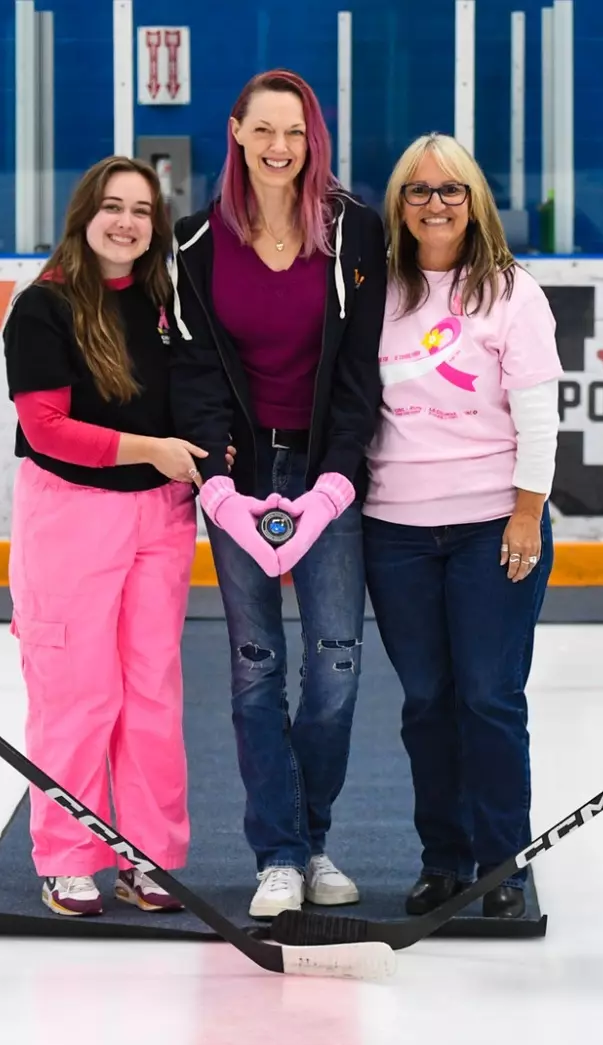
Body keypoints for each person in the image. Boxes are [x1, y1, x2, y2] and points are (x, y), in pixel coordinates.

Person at [168, 69, 388, 919]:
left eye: (294, 131)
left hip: (328, 476)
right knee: (256, 667)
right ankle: (281, 856)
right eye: (263, 129)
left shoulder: (354, 230)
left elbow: (360, 369)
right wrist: (221, 485)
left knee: (335, 664)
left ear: (312, 138)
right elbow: (196, 375)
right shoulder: (194, 244)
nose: (279, 146)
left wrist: (335, 481)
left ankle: (314, 836)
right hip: (244, 478)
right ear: (235, 132)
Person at [362, 133, 561, 920]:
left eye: (451, 190)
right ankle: (443, 861)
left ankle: (502, 864)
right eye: (418, 190)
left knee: (488, 697)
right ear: (399, 204)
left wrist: (527, 513)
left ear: (475, 201)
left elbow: (539, 417)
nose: (435, 203)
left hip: (491, 527)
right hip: (396, 532)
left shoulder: (512, 292)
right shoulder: (375, 289)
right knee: (426, 701)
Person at [2, 156, 204, 917]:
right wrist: (151, 449)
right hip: (72, 514)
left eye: (142, 211)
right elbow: (46, 428)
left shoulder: (163, 302)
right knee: (77, 691)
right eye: (113, 207)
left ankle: (150, 857)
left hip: (161, 513)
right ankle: (67, 856)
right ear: (84, 215)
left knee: (152, 691)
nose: (126, 222)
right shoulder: (44, 307)